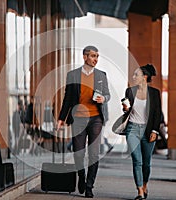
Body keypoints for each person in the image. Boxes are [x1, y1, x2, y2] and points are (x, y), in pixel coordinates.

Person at [57, 45, 110, 198]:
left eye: (97, 56)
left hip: (95, 119)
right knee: (78, 153)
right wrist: (61, 118)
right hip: (78, 119)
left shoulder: (101, 75)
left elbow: (107, 94)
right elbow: (67, 98)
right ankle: (81, 176)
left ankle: (89, 186)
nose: (96, 59)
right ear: (85, 57)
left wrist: (104, 98)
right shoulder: (72, 75)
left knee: (94, 154)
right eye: (93, 56)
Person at [122, 64, 161, 200]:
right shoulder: (129, 91)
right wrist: (125, 109)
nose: (133, 77)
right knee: (137, 161)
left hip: (148, 130)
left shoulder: (155, 93)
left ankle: (144, 185)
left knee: (146, 162)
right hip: (132, 129)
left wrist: (155, 131)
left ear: (144, 77)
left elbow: (157, 114)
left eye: (136, 75)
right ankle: (139, 190)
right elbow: (127, 108)